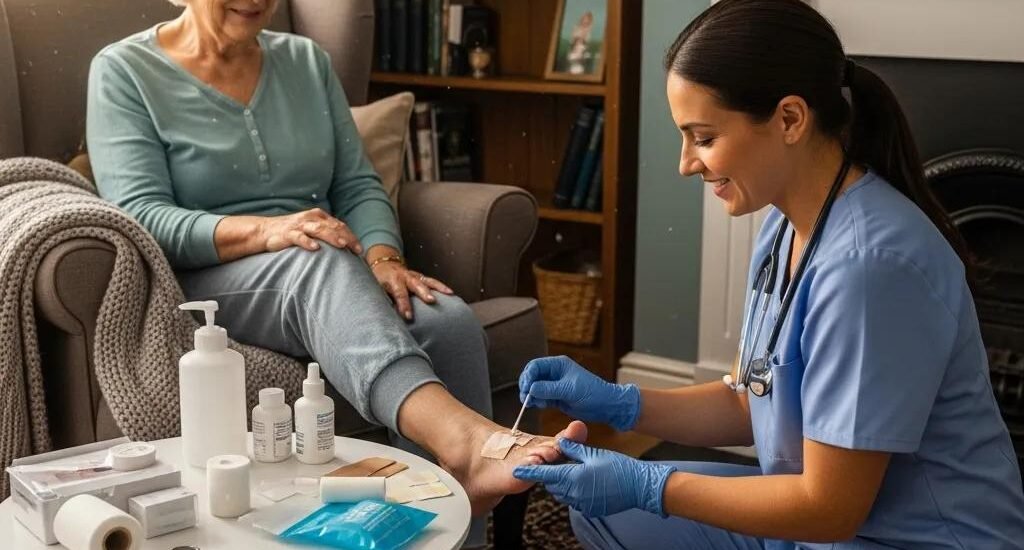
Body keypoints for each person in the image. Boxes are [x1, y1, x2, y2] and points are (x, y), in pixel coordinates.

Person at [514, 0, 1024, 548]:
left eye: (703, 137)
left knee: (639, 505)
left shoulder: (870, 269)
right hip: (823, 524)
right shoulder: (785, 227)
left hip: (907, 538)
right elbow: (748, 399)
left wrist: (648, 482)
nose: (686, 163)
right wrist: (619, 402)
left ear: (789, 119)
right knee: (602, 517)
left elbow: (829, 510)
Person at [85, 0, 587, 520]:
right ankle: (464, 444)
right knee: (316, 254)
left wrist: (383, 256)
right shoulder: (124, 70)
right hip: (208, 273)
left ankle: (441, 527)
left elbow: (356, 184)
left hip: (326, 258)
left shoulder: (306, 60)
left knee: (446, 318)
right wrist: (271, 229)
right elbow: (141, 215)